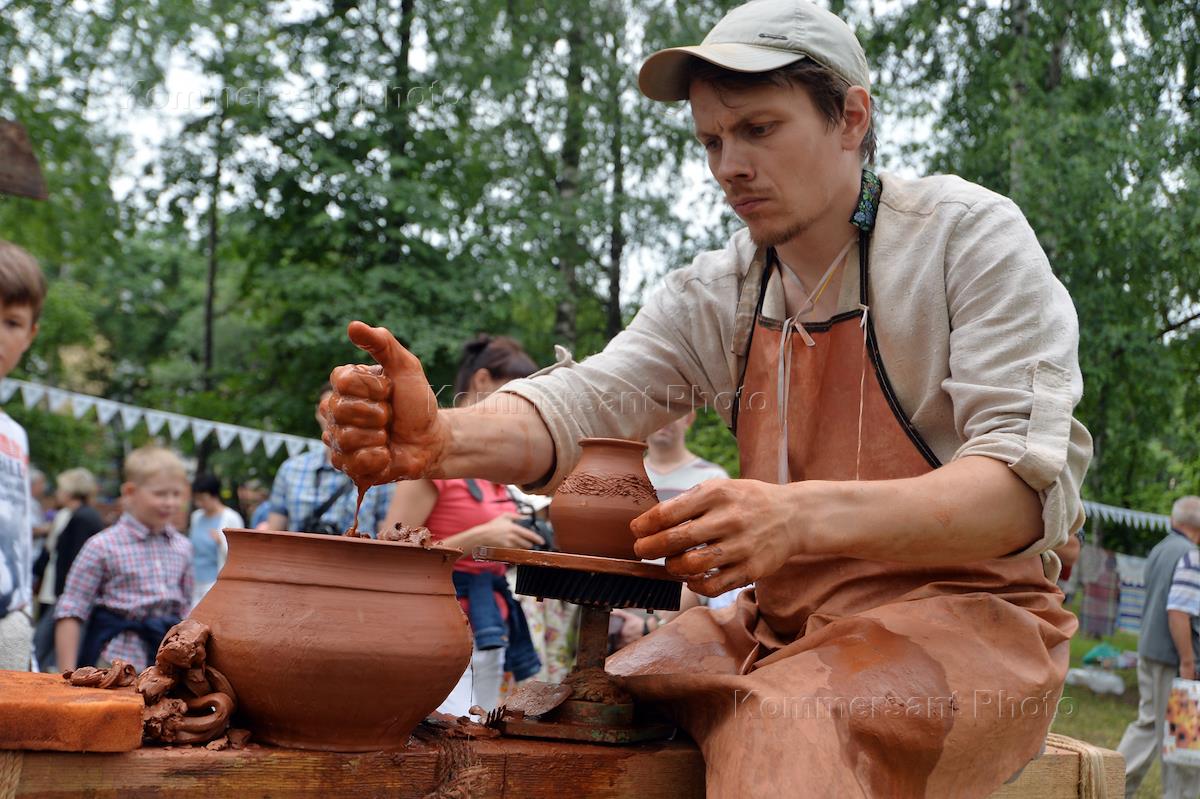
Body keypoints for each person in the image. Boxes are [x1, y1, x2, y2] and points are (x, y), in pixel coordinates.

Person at [324, 0, 1091, 793]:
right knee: (587, 708)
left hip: (968, 625)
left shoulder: (965, 239)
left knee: (785, 734)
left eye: (758, 128)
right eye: (712, 140)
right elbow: (591, 400)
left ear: (851, 117)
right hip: (783, 628)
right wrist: (439, 440)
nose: (729, 165)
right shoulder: (722, 290)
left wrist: (793, 519)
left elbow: (1018, 495)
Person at [380, 335, 543, 716]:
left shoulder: (498, 467)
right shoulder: (430, 463)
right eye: (518, 394)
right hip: (436, 629)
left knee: (478, 731)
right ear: (483, 381)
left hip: (491, 624)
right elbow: (390, 555)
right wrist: (478, 539)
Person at [54, 446, 194, 672]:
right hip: (112, 662)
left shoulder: (183, 547)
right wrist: (65, 674)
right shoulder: (102, 545)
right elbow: (72, 609)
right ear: (130, 492)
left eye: (176, 494)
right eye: (160, 494)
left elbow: (187, 611)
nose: (170, 502)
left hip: (166, 665)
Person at [1117, 496, 1200, 799]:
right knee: (1182, 730)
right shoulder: (1191, 555)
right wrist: (1188, 663)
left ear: (1173, 520)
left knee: (1149, 723)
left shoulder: (1159, 549)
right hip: (1174, 658)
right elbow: (1178, 611)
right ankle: (1181, 794)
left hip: (1149, 649)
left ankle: (1111, 783)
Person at [266, 383, 391, 536]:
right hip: (300, 559)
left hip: (357, 559)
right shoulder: (290, 469)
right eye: (330, 410)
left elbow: (386, 537)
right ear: (317, 413)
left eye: (346, 411)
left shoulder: (379, 474)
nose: (337, 418)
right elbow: (272, 536)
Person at [0, 241, 44, 670]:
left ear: (29, 334)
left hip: (9, 624)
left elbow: (17, 539)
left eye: (11, 322)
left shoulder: (14, 434)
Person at [31, 468, 105, 671]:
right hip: (61, 592)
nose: (57, 492)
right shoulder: (76, 515)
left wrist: (63, 594)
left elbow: (73, 559)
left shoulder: (82, 517)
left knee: (43, 646)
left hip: (66, 595)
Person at [188, 473, 244, 603]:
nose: (199, 503)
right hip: (195, 581)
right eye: (196, 499)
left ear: (214, 495)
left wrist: (221, 542)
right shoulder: (196, 517)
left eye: (202, 498)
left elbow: (240, 554)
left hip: (216, 582)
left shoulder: (231, 518)